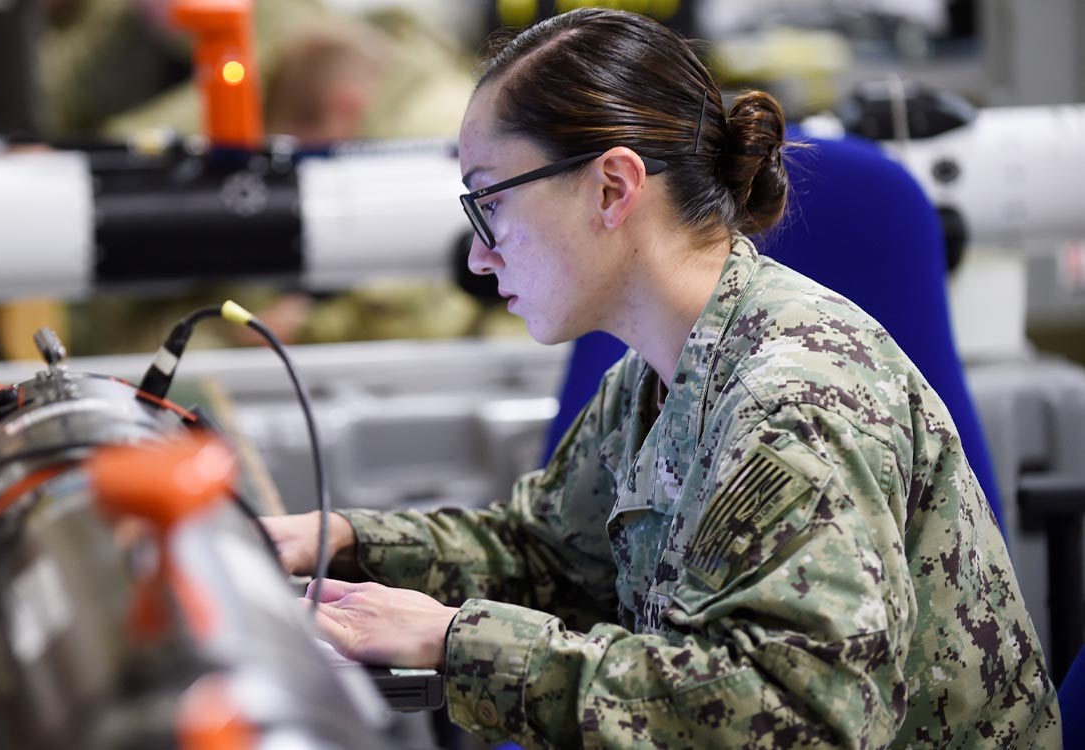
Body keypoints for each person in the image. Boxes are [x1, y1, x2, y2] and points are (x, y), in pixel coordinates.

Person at [263, 8, 1061, 748]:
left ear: (613, 187)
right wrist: (341, 542)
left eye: (489, 205)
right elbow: (547, 556)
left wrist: (454, 642)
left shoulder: (797, 403)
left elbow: (795, 720)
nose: (478, 255)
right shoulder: (656, 372)